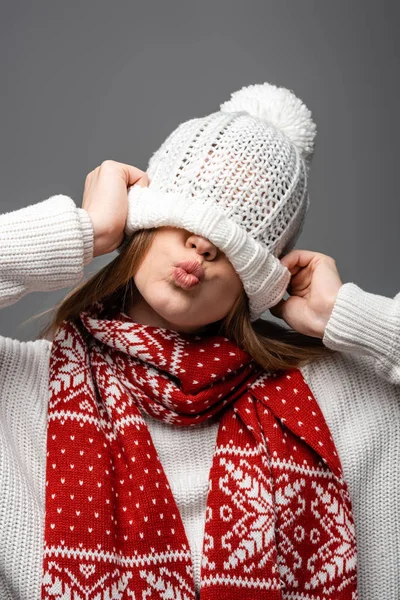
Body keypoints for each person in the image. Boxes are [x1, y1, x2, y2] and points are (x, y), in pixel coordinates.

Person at [0, 82, 398, 600]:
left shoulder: (337, 400)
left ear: (261, 274)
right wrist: (82, 230)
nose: (204, 241)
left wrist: (349, 315)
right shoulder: (20, 389)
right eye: (189, 207)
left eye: (243, 228)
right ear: (143, 216)